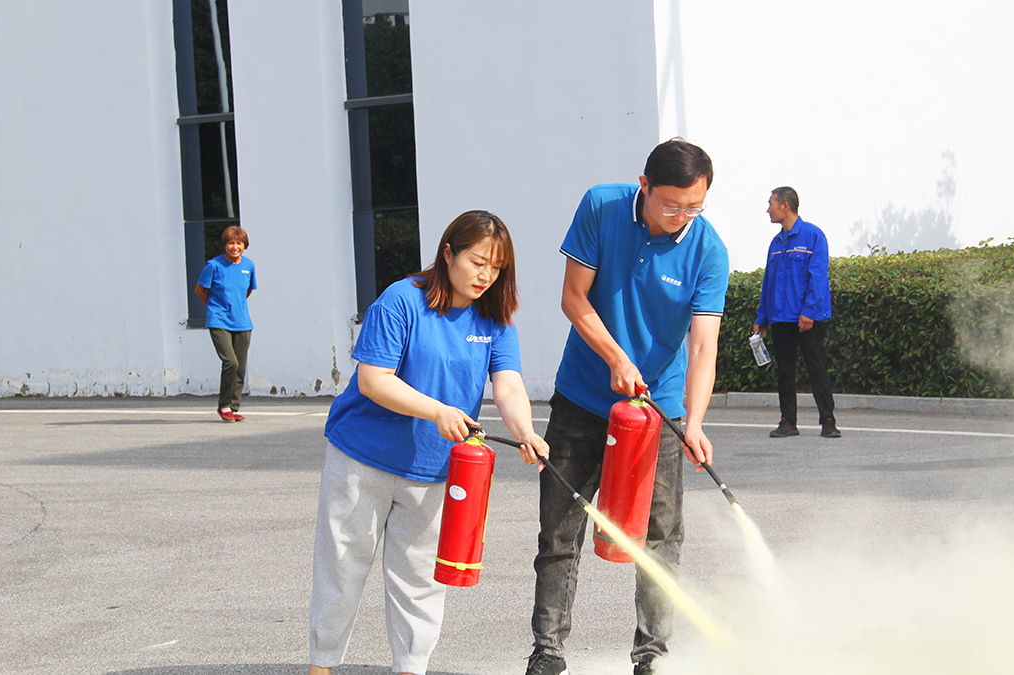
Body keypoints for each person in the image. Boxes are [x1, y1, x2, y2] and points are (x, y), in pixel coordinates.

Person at [307, 211, 549, 675]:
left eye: (497, 268)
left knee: (420, 579)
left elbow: (509, 385)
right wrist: (436, 410)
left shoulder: (494, 317)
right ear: (448, 252)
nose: (486, 275)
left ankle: (411, 669)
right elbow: (375, 381)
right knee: (341, 567)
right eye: (478, 261)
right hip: (363, 458)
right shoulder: (401, 301)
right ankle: (322, 666)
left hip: (437, 469)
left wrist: (525, 431)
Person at [526, 139, 729, 675]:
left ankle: (651, 655)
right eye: (671, 204)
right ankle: (547, 652)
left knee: (660, 535)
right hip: (582, 398)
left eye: (695, 207)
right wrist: (616, 356)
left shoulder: (709, 250)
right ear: (644, 187)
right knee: (560, 529)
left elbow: (703, 345)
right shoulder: (601, 206)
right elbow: (573, 298)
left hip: (657, 411)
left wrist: (695, 423)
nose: (682, 218)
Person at [752, 187, 841, 439]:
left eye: (771, 204)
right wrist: (762, 318)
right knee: (785, 371)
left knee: (817, 369)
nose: (768, 209)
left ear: (785, 206)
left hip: (807, 319)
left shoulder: (813, 236)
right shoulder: (776, 242)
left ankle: (828, 421)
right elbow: (769, 282)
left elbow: (818, 276)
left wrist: (809, 312)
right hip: (780, 318)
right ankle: (788, 422)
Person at [195, 226, 257, 422]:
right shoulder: (213, 266)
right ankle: (223, 405)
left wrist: (235, 306)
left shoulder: (249, 265)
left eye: (239, 243)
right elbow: (200, 290)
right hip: (219, 320)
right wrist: (216, 308)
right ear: (225, 245)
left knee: (240, 366)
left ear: (244, 245)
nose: (235, 247)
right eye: (231, 243)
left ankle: (234, 407)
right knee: (230, 362)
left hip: (243, 322)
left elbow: (247, 291)